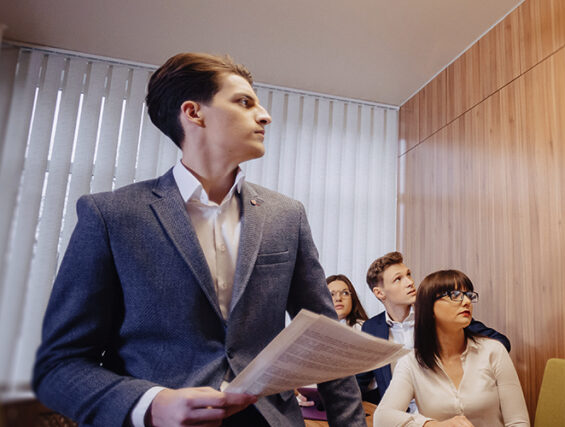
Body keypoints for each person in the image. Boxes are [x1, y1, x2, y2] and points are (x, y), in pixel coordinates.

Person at [32, 53, 364, 427]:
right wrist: (153, 404)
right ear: (194, 113)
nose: (265, 115)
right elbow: (59, 367)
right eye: (244, 101)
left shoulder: (287, 215)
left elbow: (328, 340)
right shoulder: (111, 215)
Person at [374, 270, 529, 427]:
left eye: (469, 295)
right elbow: (382, 418)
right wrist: (432, 425)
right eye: (455, 295)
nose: (467, 301)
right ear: (429, 308)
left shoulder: (493, 351)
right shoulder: (411, 362)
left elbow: (518, 422)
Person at [356, 252, 510, 404]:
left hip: (442, 410)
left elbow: (501, 342)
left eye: (408, 274)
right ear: (379, 293)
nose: (409, 282)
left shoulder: (438, 313)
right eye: (398, 279)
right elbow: (362, 378)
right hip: (399, 414)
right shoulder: (372, 328)